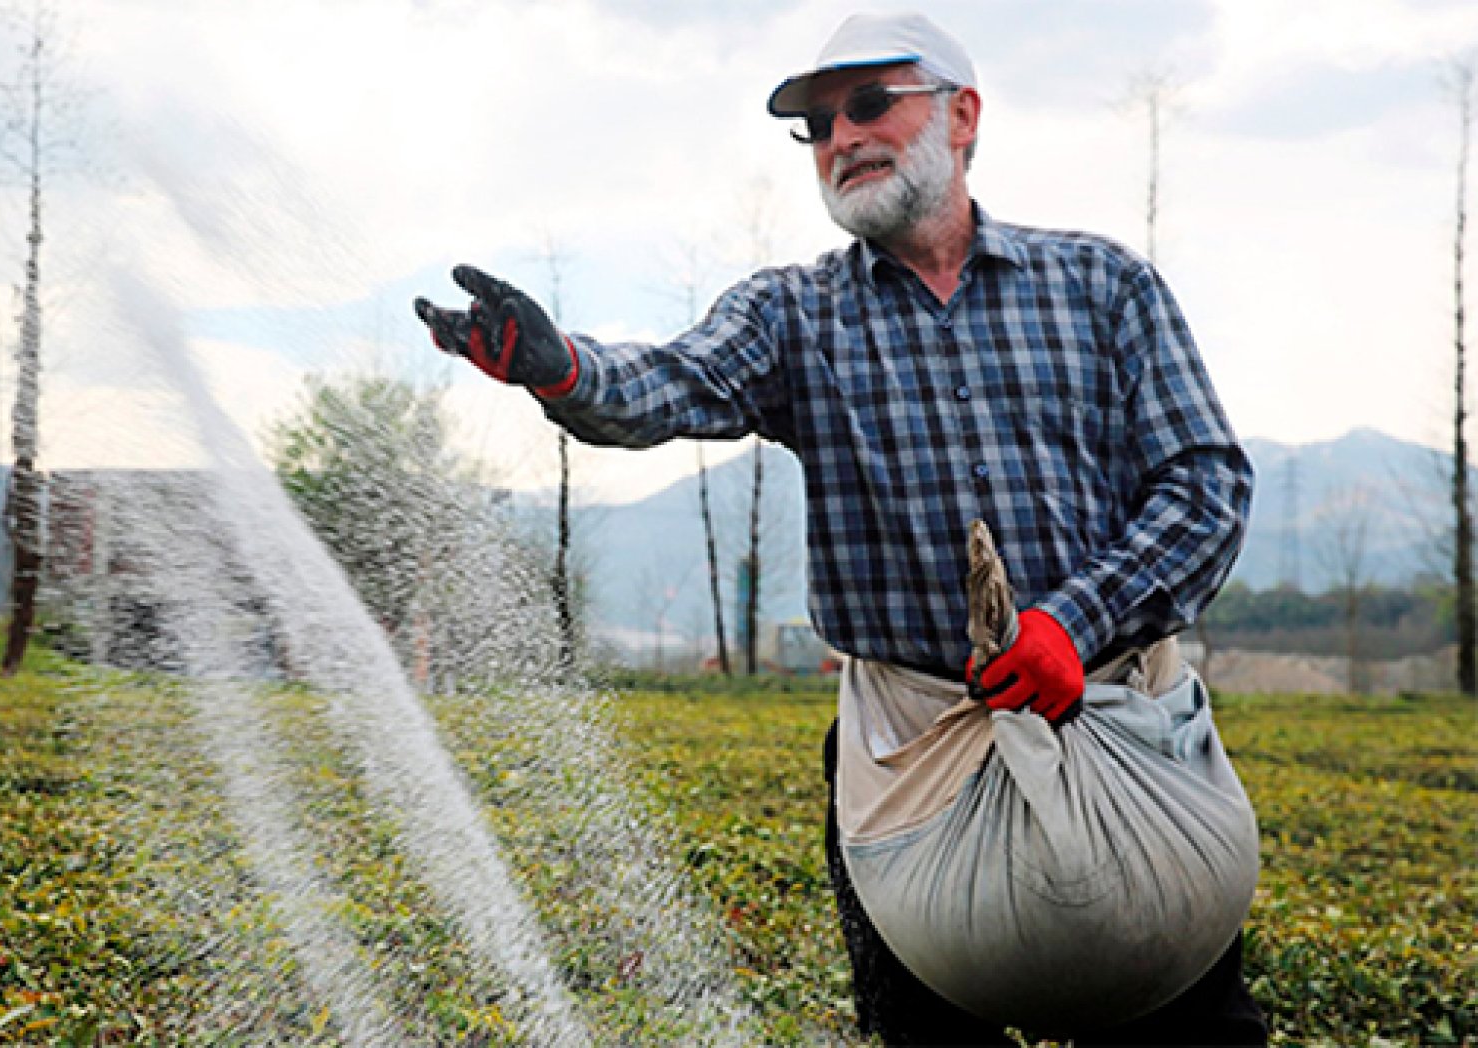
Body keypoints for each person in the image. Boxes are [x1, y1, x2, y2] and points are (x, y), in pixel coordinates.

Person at [415, 10, 1265, 1046]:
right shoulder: (792, 315)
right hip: (910, 750)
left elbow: (1204, 482)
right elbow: (674, 381)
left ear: (962, 114)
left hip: (1117, 715)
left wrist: (1070, 625)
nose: (840, 138)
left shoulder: (1102, 286)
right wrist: (564, 370)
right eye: (815, 125)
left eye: (868, 104)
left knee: (1183, 1022)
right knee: (924, 1033)